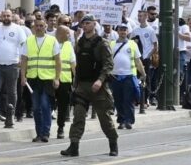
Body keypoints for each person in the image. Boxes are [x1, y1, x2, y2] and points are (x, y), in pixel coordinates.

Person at [61, 14, 118, 157]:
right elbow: (78, 65)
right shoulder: (79, 43)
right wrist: (76, 84)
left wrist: (100, 80)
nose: (85, 26)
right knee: (78, 117)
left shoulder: (102, 43)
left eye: (88, 23)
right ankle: (74, 146)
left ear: (94, 24)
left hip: (98, 86)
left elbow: (108, 64)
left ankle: (113, 143)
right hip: (82, 86)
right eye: (83, 23)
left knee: (104, 118)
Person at [20, 18, 61, 143]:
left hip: (47, 78)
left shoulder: (52, 40)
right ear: (33, 28)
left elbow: (58, 61)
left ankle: (45, 133)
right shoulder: (29, 41)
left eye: (41, 26)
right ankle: (39, 133)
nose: (39, 28)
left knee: (45, 105)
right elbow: (24, 60)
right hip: (33, 78)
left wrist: (57, 78)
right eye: (37, 26)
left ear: (45, 27)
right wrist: (23, 76)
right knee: (36, 107)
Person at [0, 9, 26, 125]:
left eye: (8, 16)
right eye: (4, 16)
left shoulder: (18, 29)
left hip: (12, 64)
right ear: (1, 17)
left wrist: (21, 60)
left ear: (12, 17)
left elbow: (24, 45)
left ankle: (10, 113)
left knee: (11, 91)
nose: (6, 18)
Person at [109, 24, 145, 130]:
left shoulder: (132, 44)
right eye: (121, 30)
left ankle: (129, 120)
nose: (123, 32)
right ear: (117, 31)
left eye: (125, 30)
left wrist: (143, 73)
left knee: (128, 100)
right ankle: (121, 121)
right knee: (118, 100)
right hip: (115, 76)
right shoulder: (111, 44)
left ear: (127, 31)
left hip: (129, 75)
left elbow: (138, 60)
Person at [131, 10, 158, 111]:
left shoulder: (150, 30)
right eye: (138, 16)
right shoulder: (135, 30)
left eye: (141, 16)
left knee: (146, 79)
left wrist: (148, 55)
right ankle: (136, 99)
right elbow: (131, 41)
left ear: (146, 17)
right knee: (136, 78)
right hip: (137, 58)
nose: (139, 18)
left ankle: (145, 99)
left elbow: (155, 46)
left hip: (146, 58)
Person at [54, 25, 76, 139]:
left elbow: (73, 63)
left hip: (65, 80)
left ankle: (60, 128)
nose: (69, 35)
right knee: (48, 105)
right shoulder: (51, 42)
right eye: (67, 33)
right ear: (60, 33)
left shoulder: (69, 45)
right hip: (50, 79)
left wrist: (76, 79)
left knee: (63, 106)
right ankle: (44, 129)